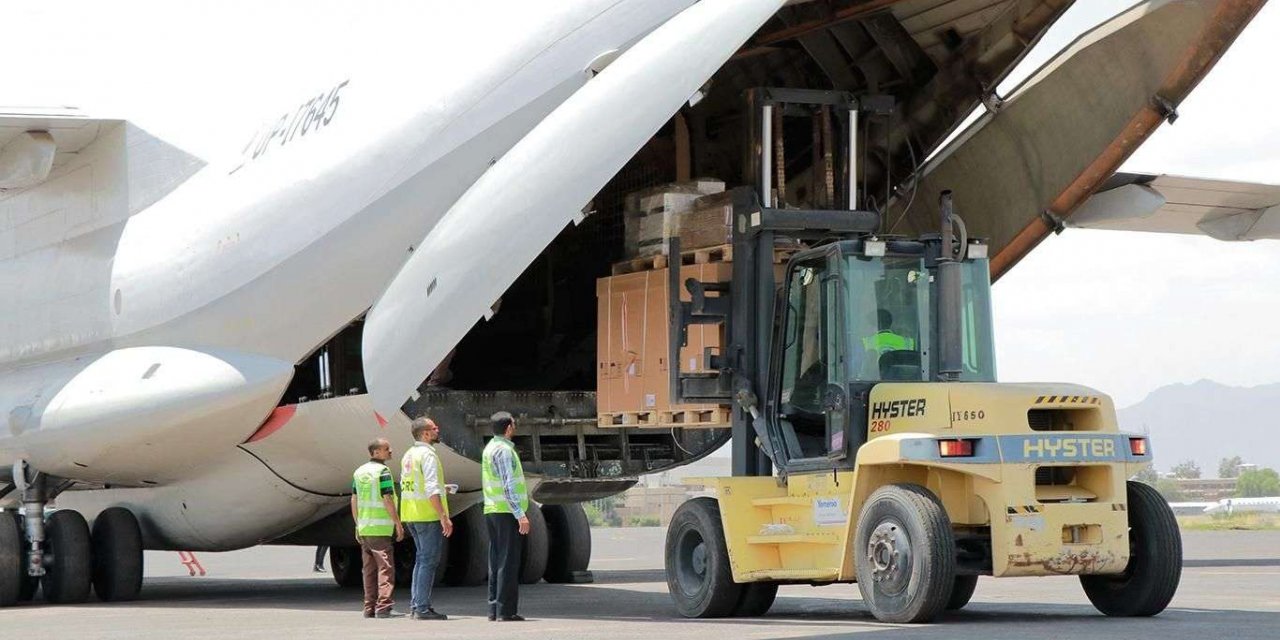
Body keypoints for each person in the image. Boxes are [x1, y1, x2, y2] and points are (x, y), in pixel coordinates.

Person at [400, 417, 454, 621]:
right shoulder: (428, 455)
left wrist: (443, 488)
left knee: (421, 560)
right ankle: (421, 607)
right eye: (434, 428)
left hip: (412, 514)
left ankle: (417, 605)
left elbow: (417, 485)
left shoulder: (409, 455)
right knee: (428, 561)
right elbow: (430, 489)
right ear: (425, 434)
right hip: (427, 515)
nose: (437, 430)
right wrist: (443, 516)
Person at [481, 411, 530, 622]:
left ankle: (494, 608)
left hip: (493, 510)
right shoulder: (504, 451)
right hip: (506, 512)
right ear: (509, 428)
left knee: (496, 560)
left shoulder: (490, 448)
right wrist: (520, 514)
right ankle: (506, 611)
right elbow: (508, 484)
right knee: (508, 562)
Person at [351, 437, 405, 618]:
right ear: (376, 452)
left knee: (368, 570)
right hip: (380, 528)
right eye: (386, 449)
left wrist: (357, 524)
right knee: (385, 568)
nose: (390, 451)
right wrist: (398, 523)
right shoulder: (383, 472)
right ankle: (383, 606)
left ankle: (369, 607)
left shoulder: (359, 472)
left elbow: (354, 499)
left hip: (365, 527)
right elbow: (387, 498)